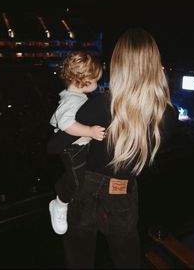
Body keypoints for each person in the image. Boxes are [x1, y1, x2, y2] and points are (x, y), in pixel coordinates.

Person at [47, 28, 178, 269]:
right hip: (123, 191)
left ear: (119, 65)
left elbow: (54, 147)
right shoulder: (168, 114)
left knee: (80, 256)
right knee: (126, 257)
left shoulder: (100, 104)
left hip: (86, 186)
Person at [48, 51, 105, 235]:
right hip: (72, 149)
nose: (97, 84)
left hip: (78, 148)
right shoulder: (72, 100)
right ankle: (60, 203)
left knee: (78, 177)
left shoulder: (76, 97)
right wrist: (89, 131)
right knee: (76, 183)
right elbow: (66, 124)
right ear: (83, 80)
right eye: (95, 80)